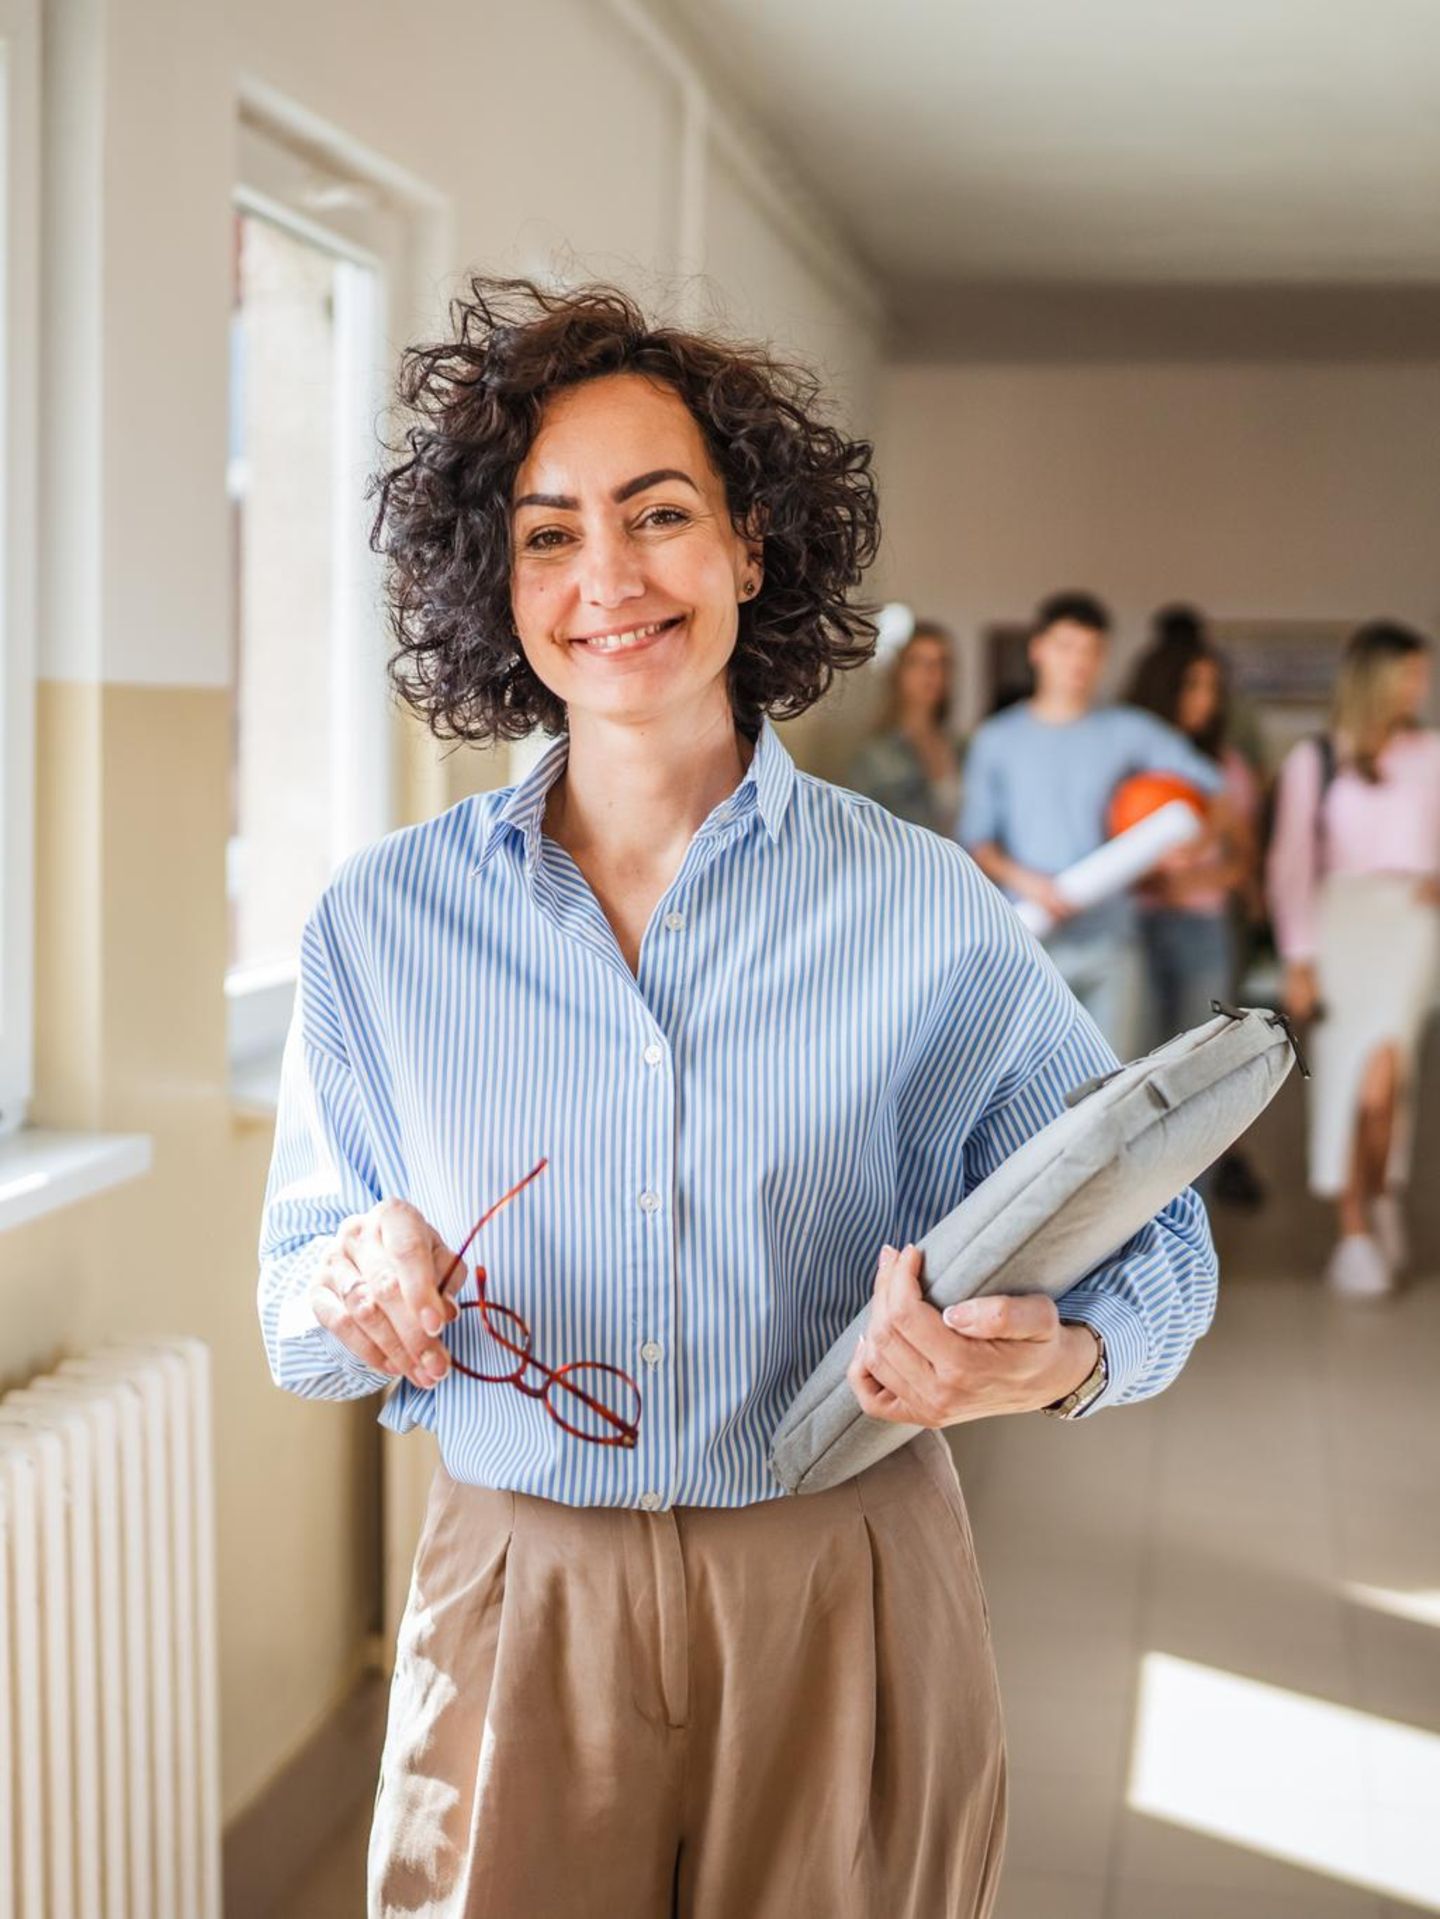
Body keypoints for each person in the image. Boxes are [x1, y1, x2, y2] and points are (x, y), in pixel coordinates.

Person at [257, 280, 1217, 1919]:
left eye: (659, 513)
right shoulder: (378, 919)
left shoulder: (924, 903)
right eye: (550, 533)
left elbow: (1156, 1227)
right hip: (519, 1587)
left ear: (754, 543)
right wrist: (358, 1277)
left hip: (843, 1573)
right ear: (498, 580)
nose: (609, 578)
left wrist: (1045, 1359)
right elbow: (297, 1291)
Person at [960, 591, 1226, 1061]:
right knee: (1028, 1093)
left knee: (1113, 1085)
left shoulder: (1129, 731)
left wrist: (1188, 844)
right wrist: (1029, 883)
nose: (1078, 663)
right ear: (1037, 649)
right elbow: (976, 841)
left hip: (1112, 942)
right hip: (1029, 940)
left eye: (1091, 650)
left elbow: (1212, 788)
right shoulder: (995, 739)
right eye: (1066, 647)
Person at [1267, 620, 1440, 1299]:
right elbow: (1290, 867)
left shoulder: (1431, 752)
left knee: (1390, 1081)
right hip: (1342, 925)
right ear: (1375, 677)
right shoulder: (1317, 757)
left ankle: (1380, 1194)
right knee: (1350, 1078)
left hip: (1412, 928)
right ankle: (1355, 1225)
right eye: (1408, 672)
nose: (1419, 686)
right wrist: (1299, 958)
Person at [1125, 624, 1263, 1045]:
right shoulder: (1127, 762)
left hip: (1202, 926)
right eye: (1191, 686)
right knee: (1130, 1054)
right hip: (1132, 925)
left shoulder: (1227, 767)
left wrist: (1193, 881)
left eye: (1212, 688)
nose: (1204, 699)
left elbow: (1244, 857)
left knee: (1197, 1054)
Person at [847, 618, 963, 834]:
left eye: (941, 663)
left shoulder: (963, 748)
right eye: (918, 662)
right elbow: (860, 831)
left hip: (959, 864)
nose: (931, 673)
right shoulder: (874, 755)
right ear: (899, 672)